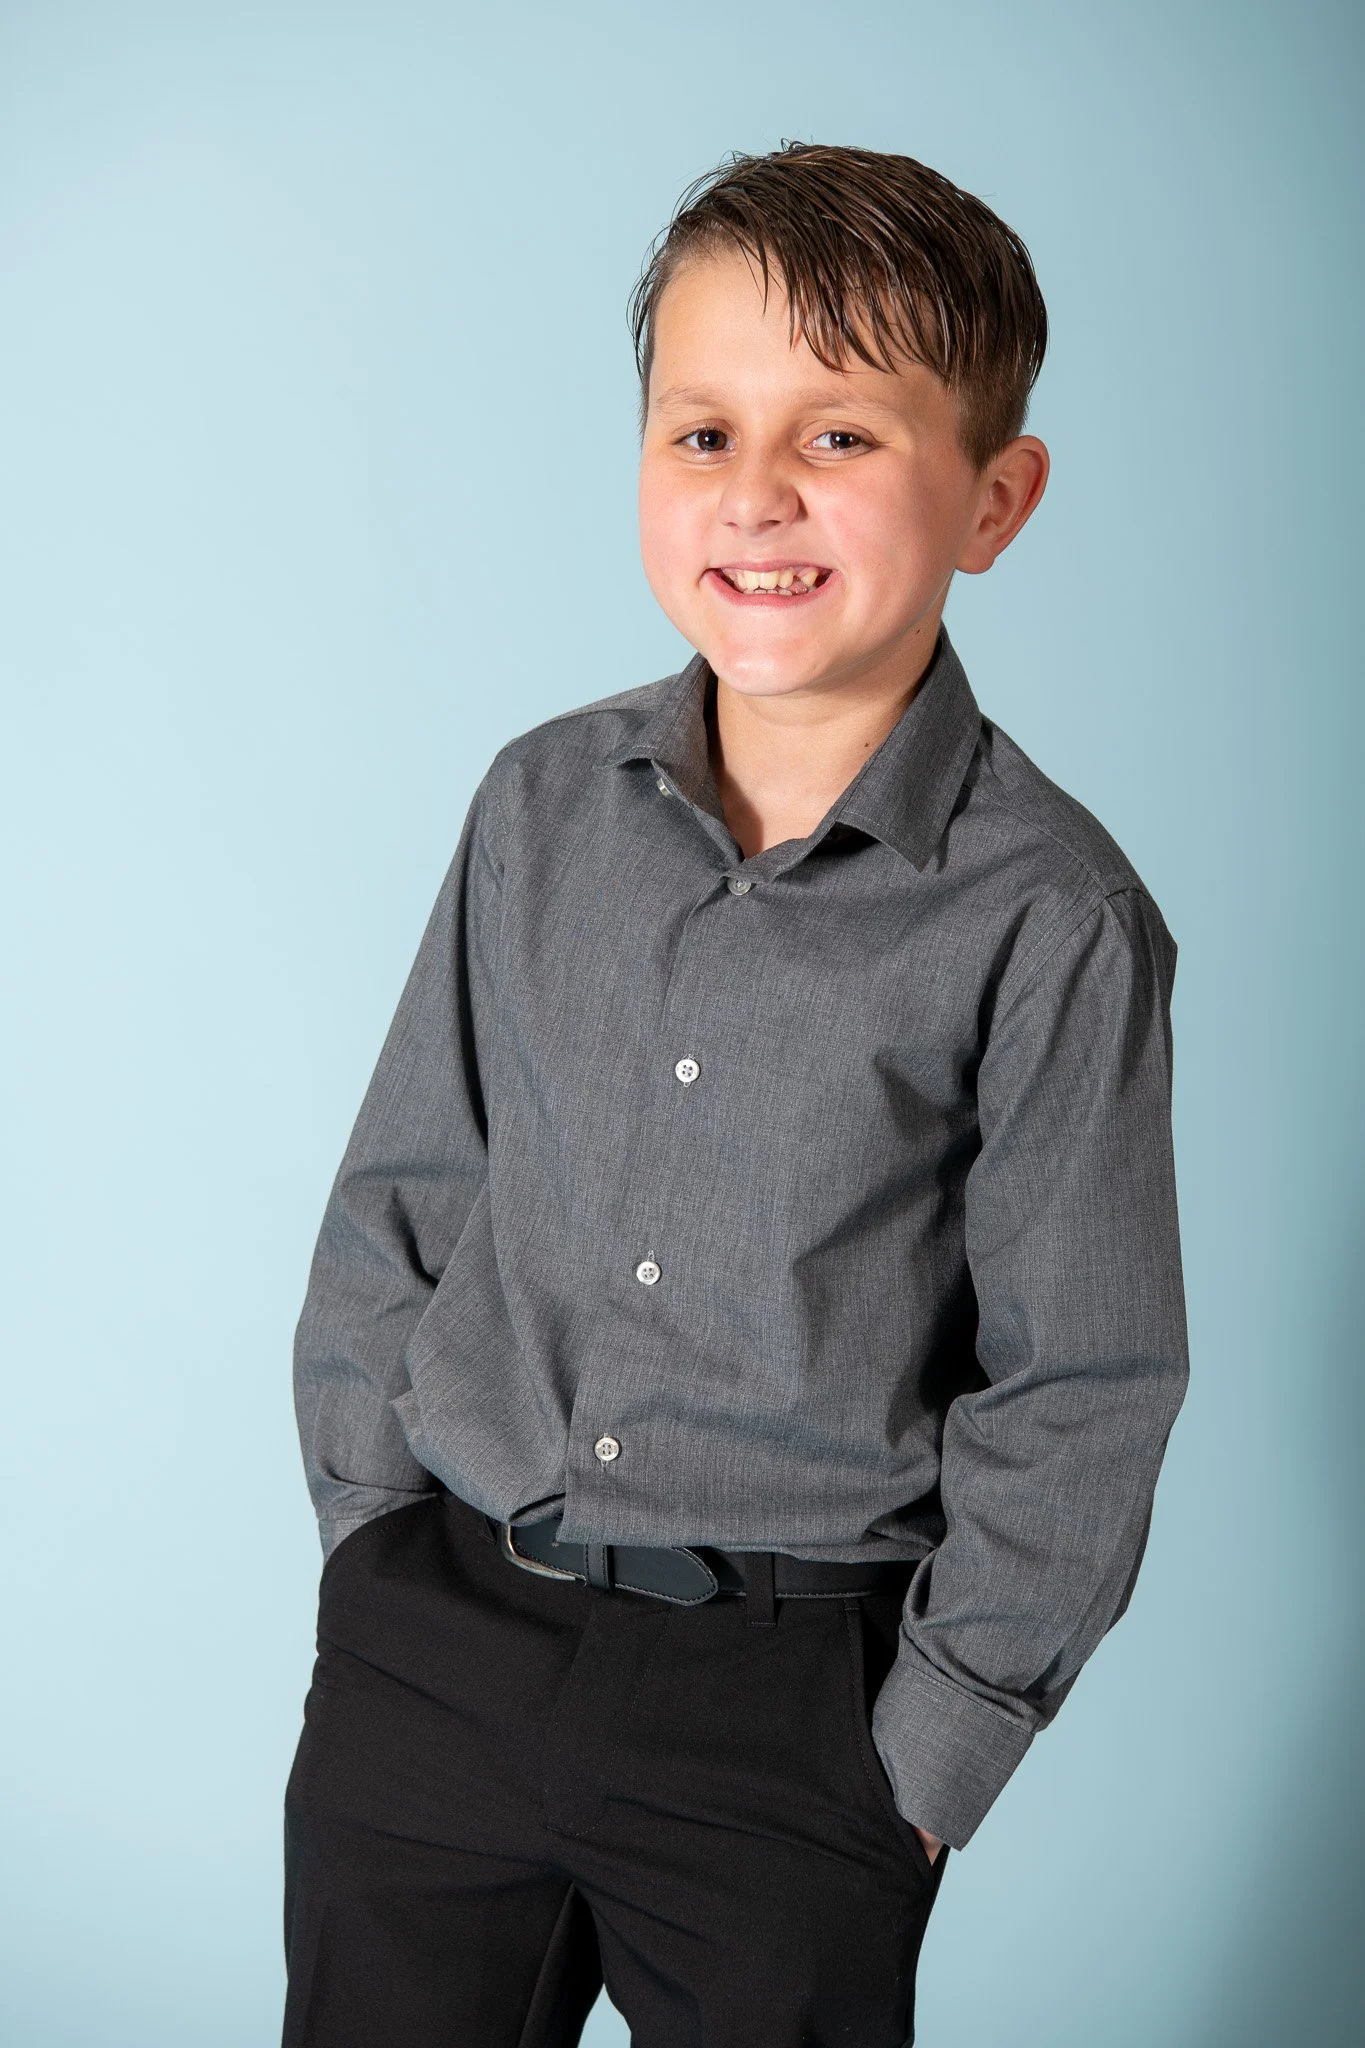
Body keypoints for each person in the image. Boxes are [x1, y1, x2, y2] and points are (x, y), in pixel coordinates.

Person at [281, 141, 1189, 2046]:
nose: (758, 495)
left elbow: (1084, 1382)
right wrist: (375, 1544)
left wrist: (920, 1769)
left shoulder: (1055, 913)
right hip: (440, 1646)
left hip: (791, 1723)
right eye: (702, 432)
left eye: (842, 438)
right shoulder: (540, 801)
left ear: (997, 498)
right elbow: (407, 1190)